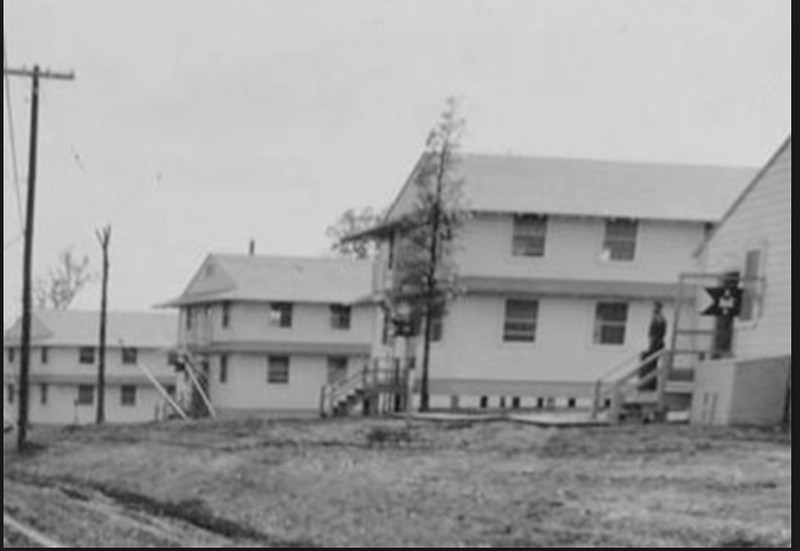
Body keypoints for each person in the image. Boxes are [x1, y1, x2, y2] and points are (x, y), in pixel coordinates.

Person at [639, 301, 667, 391]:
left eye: (654, 307)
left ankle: (648, 385)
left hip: (656, 343)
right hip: (656, 342)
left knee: (651, 363)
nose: (653, 309)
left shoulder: (659, 318)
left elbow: (658, 333)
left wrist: (653, 340)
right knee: (651, 363)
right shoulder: (658, 318)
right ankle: (648, 384)